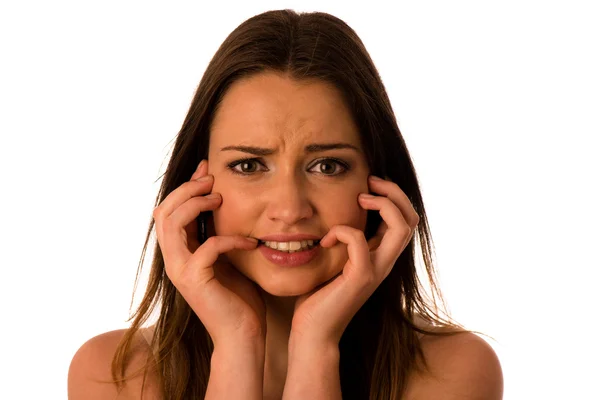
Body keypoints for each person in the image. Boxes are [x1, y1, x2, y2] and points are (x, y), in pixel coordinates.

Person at [68, 9, 503, 400]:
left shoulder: (454, 372)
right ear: (193, 184)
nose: (290, 209)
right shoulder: (114, 376)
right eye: (250, 164)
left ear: (382, 185)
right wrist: (237, 344)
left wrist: (315, 346)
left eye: (327, 166)